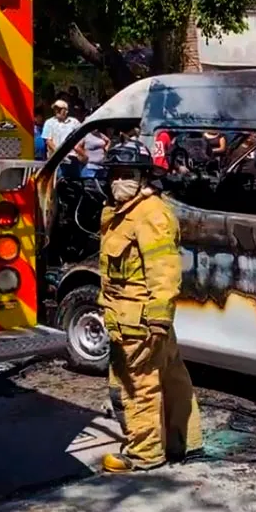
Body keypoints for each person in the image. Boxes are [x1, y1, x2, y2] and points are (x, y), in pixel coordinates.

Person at [98, 141, 203, 473]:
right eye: (114, 173)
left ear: (144, 177)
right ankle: (184, 442)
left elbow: (164, 272)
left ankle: (144, 453)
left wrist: (157, 322)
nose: (118, 181)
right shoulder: (123, 212)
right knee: (171, 376)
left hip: (139, 321)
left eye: (126, 174)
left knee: (138, 386)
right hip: (133, 317)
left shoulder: (151, 215)